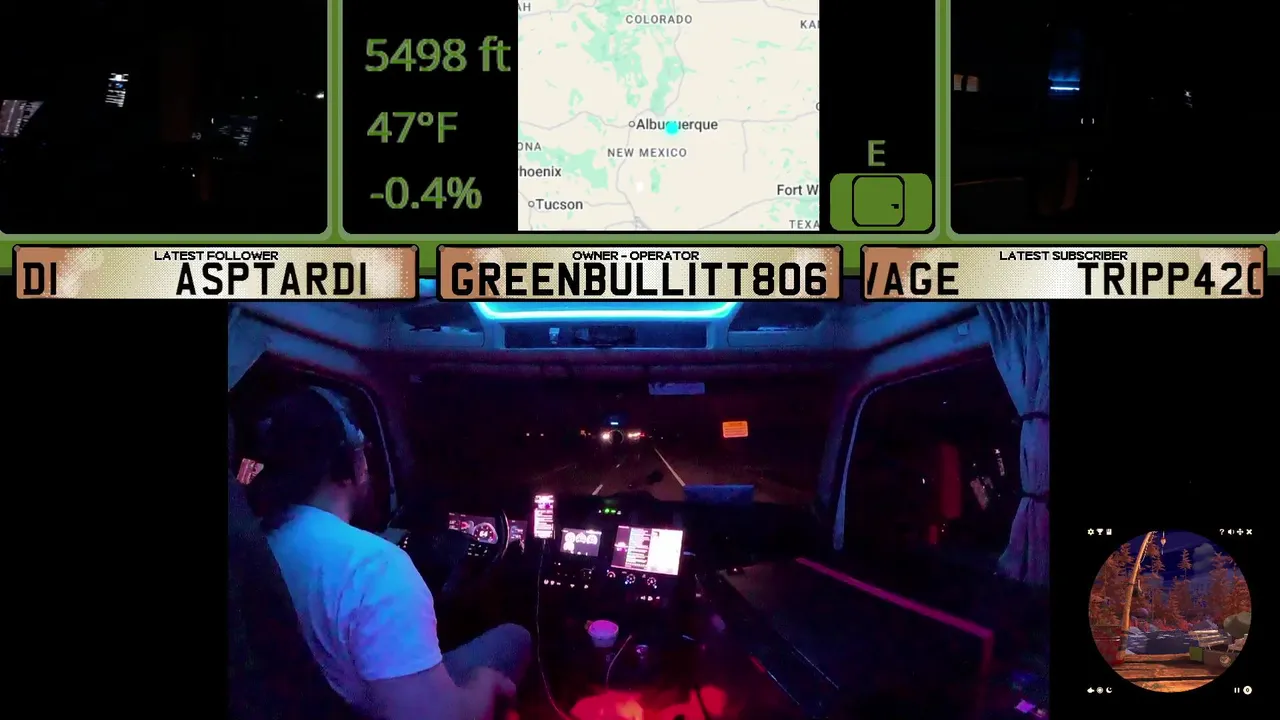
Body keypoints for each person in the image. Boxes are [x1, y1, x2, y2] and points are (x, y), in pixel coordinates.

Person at [252, 387, 531, 720]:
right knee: (515, 638)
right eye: (364, 454)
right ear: (351, 463)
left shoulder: (255, 538)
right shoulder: (374, 566)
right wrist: (484, 682)